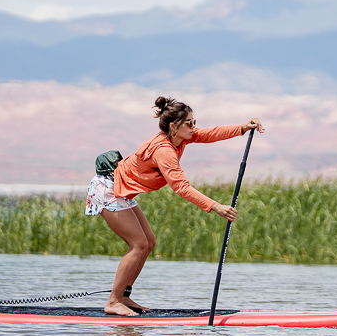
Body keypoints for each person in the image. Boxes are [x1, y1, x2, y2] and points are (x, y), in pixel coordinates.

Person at [85, 96, 264, 317]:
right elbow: (181, 187)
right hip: (109, 189)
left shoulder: (182, 138)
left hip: (122, 189)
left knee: (149, 242)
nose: (193, 127)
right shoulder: (164, 151)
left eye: (193, 121)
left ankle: (122, 296)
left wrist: (243, 128)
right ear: (173, 126)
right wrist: (215, 206)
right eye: (189, 123)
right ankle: (113, 301)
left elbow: (210, 133)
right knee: (138, 244)